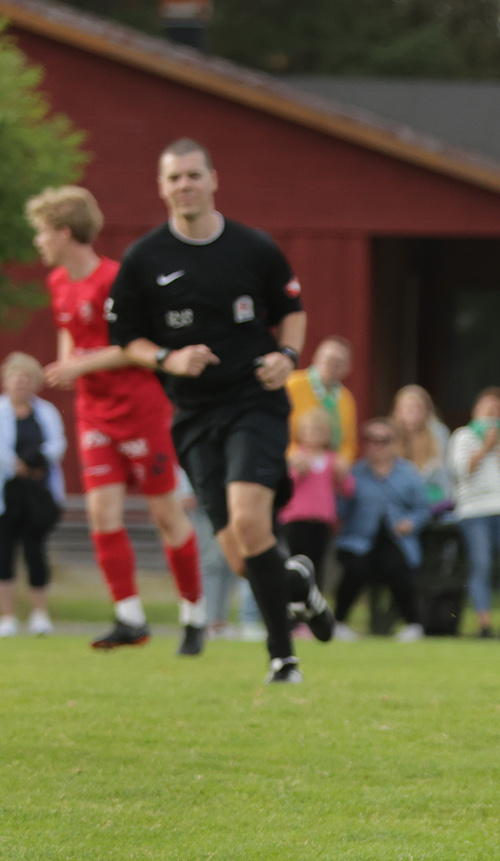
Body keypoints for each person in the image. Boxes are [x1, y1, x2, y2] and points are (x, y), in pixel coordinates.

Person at [107, 138, 334, 684]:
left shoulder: (254, 248)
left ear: (213, 180)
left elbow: (293, 312)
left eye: (192, 175)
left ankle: (283, 657)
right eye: (173, 178)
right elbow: (125, 339)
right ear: (162, 188)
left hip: (254, 402)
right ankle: (297, 584)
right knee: (238, 554)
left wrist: (286, 356)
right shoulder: (144, 259)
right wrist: (168, 356)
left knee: (253, 521)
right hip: (193, 416)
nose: (183, 185)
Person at [28, 185, 206, 653]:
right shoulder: (58, 283)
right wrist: (68, 365)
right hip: (94, 414)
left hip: (141, 410)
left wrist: (80, 364)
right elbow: (71, 335)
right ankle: (130, 618)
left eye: (42, 233)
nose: (38, 243)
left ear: (65, 233)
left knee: (165, 514)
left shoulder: (115, 279)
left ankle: (194, 615)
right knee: (100, 513)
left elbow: (137, 348)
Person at [333, 419, 428, 640]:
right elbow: (341, 509)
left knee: (397, 568)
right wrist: (339, 484)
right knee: (356, 568)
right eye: (372, 440)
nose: (377, 445)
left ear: (394, 443)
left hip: (397, 538)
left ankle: (413, 624)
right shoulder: (355, 473)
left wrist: (411, 522)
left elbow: (423, 509)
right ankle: (338, 622)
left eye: (383, 440)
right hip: (359, 539)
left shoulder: (408, 474)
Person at [449, 388, 500, 636]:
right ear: (476, 412)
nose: (492, 414)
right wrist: (486, 446)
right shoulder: (463, 436)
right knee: (481, 563)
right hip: (474, 509)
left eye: (497, 409)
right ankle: (484, 623)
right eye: (487, 408)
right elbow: (461, 470)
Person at [0, 354, 65, 637]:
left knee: (35, 551)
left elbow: (57, 444)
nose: (21, 384)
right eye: (16, 378)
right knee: (4, 554)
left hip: (37, 495)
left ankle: (40, 615)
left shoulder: (46, 411)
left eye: (27, 379)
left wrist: (37, 460)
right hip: (6, 492)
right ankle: (7, 617)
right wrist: (17, 464)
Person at [278, 408, 351, 577]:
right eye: (311, 430)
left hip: (321, 521)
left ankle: (312, 599)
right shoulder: (295, 457)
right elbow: (283, 487)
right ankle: (294, 598)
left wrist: (343, 474)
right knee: (294, 562)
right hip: (294, 519)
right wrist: (295, 471)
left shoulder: (333, 460)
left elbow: (347, 490)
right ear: (301, 433)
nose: (315, 435)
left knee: (316, 565)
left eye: (320, 430)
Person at [285, 335, 356, 467]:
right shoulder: (292, 385)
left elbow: (348, 443)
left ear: (347, 368)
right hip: (292, 468)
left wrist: (344, 461)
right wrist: (292, 453)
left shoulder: (345, 398)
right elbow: (275, 426)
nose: (332, 365)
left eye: (339, 362)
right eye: (328, 359)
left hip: (328, 473)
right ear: (316, 358)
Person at [392, 384, 451, 503]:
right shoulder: (390, 435)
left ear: (426, 411)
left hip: (432, 496)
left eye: (417, 408)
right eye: (407, 408)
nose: (411, 413)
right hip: (400, 498)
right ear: (398, 411)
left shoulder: (437, 433)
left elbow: (441, 469)